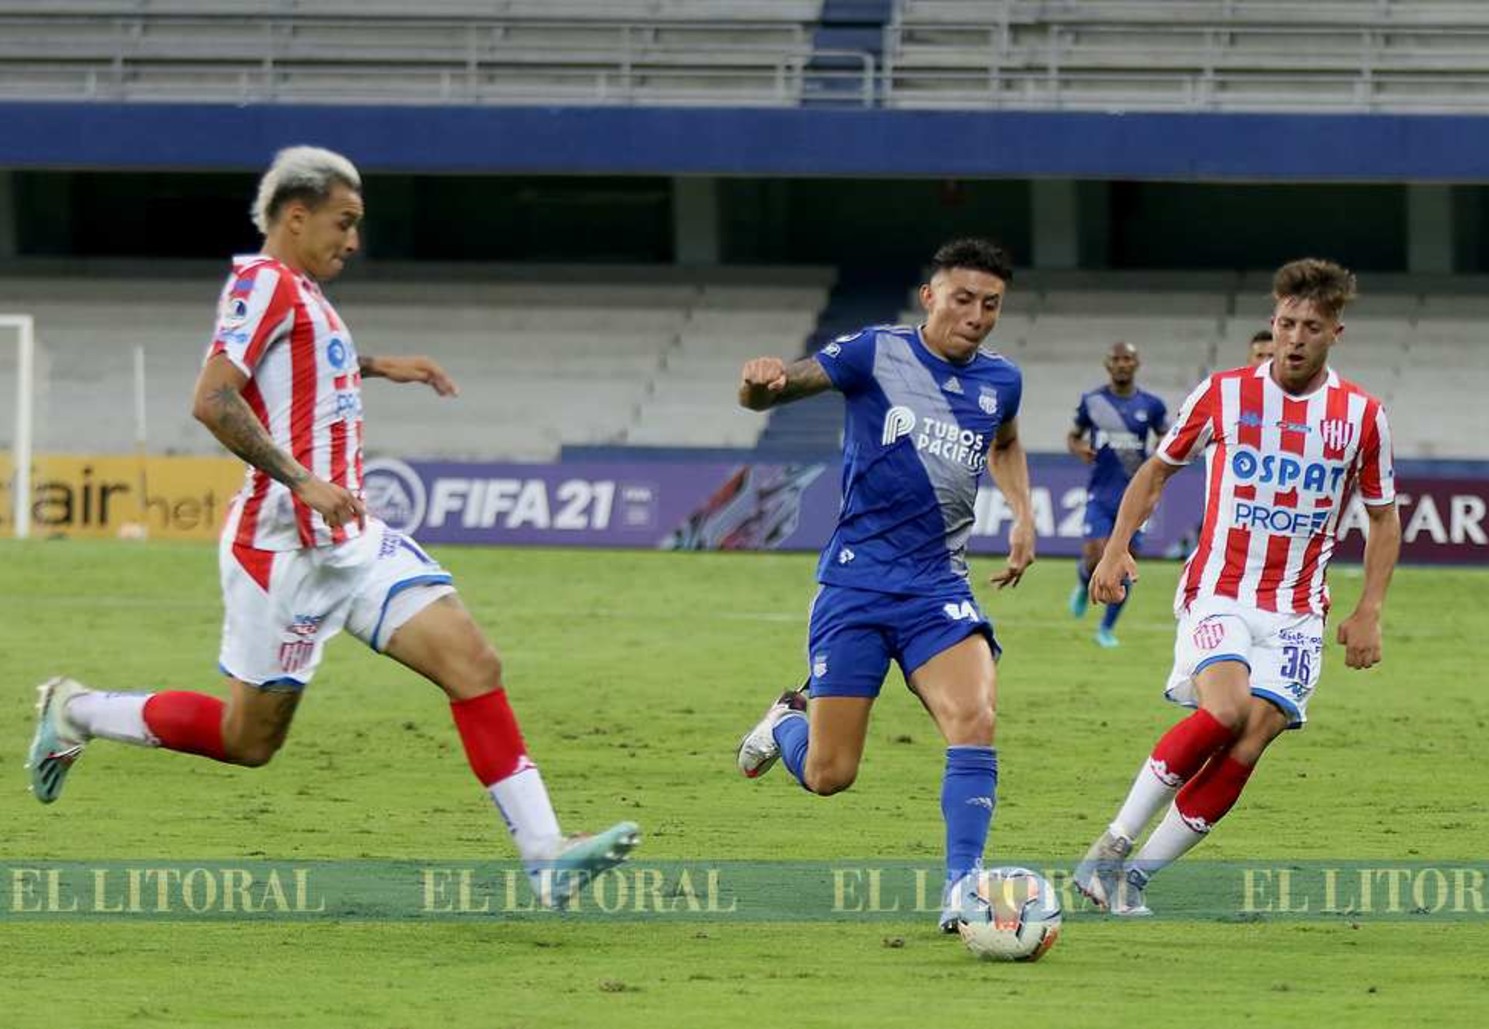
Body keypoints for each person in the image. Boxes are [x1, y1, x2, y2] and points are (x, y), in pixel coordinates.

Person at [26, 145, 638, 907]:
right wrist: (300, 479)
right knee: (248, 741)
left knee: (473, 664)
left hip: (351, 538)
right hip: (280, 549)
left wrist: (381, 365)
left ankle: (545, 851)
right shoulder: (261, 282)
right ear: (295, 215)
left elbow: (306, 367)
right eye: (343, 223)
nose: (353, 239)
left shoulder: (305, 295)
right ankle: (75, 709)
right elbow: (213, 399)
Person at [1072, 258, 1400, 916]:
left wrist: (1369, 609)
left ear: (1334, 332)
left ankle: (1132, 878)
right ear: (1272, 323)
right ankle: (1109, 845)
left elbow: (1383, 514)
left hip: (1297, 610)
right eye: (1285, 323)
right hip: (1219, 589)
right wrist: (1115, 550)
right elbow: (1156, 472)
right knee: (1222, 710)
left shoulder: (1361, 415)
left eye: (1311, 325)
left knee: (1251, 735)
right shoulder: (1221, 393)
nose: (1295, 336)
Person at [731, 238, 1036, 934]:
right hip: (856, 587)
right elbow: (778, 388)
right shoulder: (875, 353)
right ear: (929, 296)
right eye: (963, 298)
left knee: (976, 719)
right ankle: (785, 722)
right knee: (830, 774)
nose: (977, 315)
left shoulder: (1001, 380)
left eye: (990, 304)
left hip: (937, 588)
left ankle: (962, 890)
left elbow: (1007, 442)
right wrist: (758, 382)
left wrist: (1022, 514)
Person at [1065, 342, 1169, 648]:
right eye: (1117, 359)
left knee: (1124, 565)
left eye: (1128, 359)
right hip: (1100, 494)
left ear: (1136, 364)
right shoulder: (1093, 402)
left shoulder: (1152, 405)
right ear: (1107, 364)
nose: (1122, 364)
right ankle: (1085, 583)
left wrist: (1159, 451)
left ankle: (1106, 629)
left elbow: (1166, 436)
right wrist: (1079, 447)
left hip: (1136, 496)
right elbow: (1073, 436)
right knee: (1095, 555)